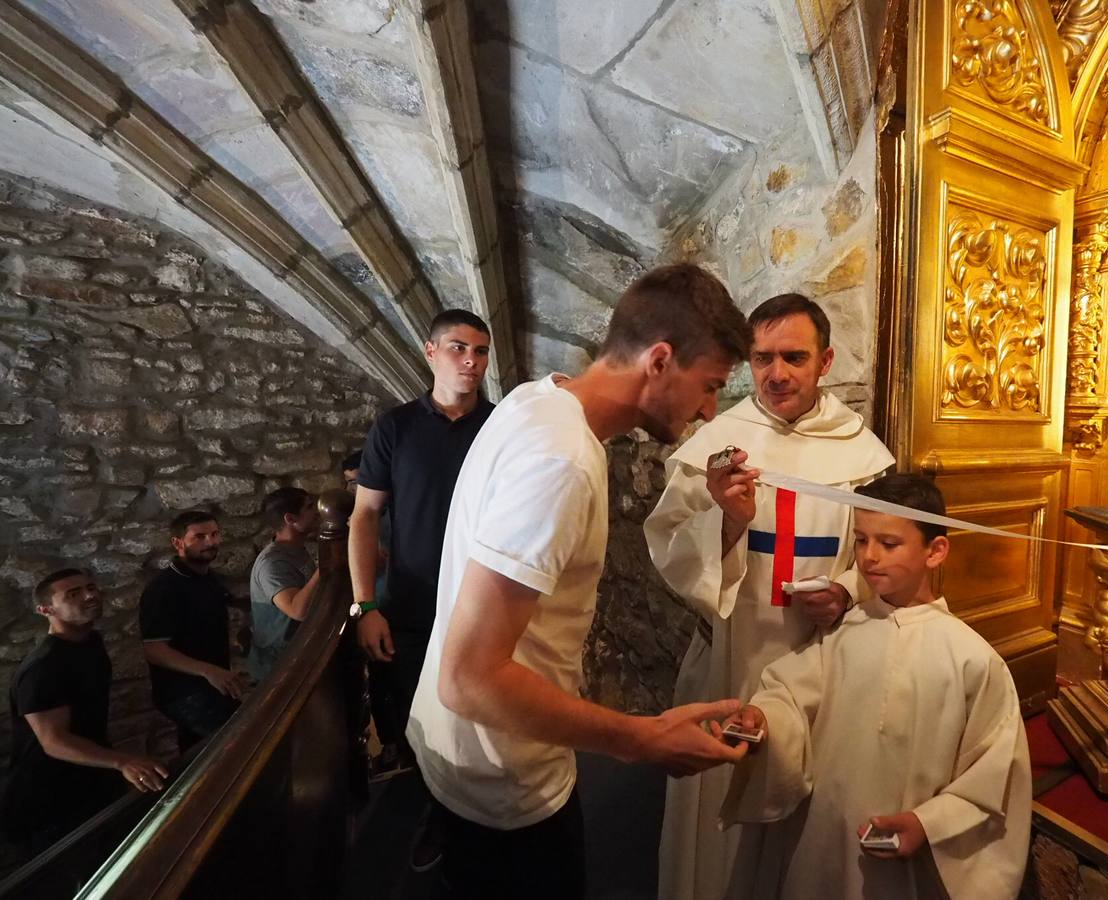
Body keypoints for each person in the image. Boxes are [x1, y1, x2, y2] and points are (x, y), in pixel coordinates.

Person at [406, 264, 755, 900]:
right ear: (659, 359)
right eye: (709, 386)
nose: (709, 410)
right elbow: (471, 675)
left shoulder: (539, 397)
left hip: (462, 757)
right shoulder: (560, 461)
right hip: (505, 782)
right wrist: (643, 740)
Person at [646, 292, 894, 899]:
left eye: (794, 357)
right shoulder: (720, 442)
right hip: (730, 656)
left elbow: (885, 547)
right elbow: (668, 544)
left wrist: (845, 590)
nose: (777, 374)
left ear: (825, 360)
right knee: (716, 826)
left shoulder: (861, 454)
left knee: (804, 823)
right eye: (762, 359)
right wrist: (726, 524)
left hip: (820, 659)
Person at [718, 474, 1032, 900]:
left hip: (904, 857)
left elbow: (993, 770)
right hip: (823, 840)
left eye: (888, 543)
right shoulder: (844, 630)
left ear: (935, 551)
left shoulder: (972, 659)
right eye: (861, 540)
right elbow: (789, 695)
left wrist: (927, 823)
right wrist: (763, 718)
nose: (868, 557)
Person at [348, 308, 494, 867]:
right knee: (420, 726)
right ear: (430, 352)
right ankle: (439, 815)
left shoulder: (499, 425)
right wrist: (366, 605)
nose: (471, 362)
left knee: (483, 723)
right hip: (411, 606)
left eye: (480, 352)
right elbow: (364, 517)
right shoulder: (395, 428)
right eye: (458, 348)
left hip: (485, 604)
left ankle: (483, 824)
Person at [3, 569, 168, 858]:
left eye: (90, 587)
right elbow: (53, 741)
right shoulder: (44, 667)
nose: (90, 595)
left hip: (89, 780)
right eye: (73, 594)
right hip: (47, 799)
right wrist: (123, 761)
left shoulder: (90, 643)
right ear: (46, 609)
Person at [140, 510, 245, 750]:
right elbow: (154, 649)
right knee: (236, 745)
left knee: (199, 752)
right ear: (178, 543)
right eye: (199, 537)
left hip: (211, 685)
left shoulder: (207, 578)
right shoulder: (164, 589)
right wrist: (209, 671)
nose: (211, 542)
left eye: (214, 534)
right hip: (183, 691)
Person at [246, 488, 321, 682]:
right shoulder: (273, 563)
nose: (317, 512)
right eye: (310, 507)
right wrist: (327, 564)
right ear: (290, 518)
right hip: (278, 666)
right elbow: (297, 610)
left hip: (298, 656)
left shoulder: (295, 549)